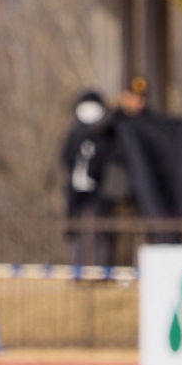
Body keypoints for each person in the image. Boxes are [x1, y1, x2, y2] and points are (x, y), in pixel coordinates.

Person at [60, 90, 113, 266]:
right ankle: (78, 268)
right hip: (77, 193)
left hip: (99, 192)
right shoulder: (75, 134)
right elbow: (66, 157)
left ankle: (97, 269)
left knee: (100, 231)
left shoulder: (104, 135)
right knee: (77, 231)